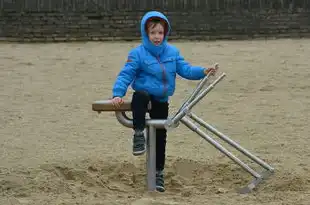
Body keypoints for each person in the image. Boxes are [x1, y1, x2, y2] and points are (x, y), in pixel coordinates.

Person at [111, 11, 218, 192]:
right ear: (146, 33)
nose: (157, 37)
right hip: (144, 96)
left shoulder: (172, 52)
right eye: (153, 33)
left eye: (160, 33)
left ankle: (158, 173)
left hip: (161, 99)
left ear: (165, 33)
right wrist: (117, 93)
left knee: (160, 138)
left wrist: (203, 71)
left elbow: (186, 70)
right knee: (140, 96)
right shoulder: (137, 53)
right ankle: (138, 134)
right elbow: (126, 74)